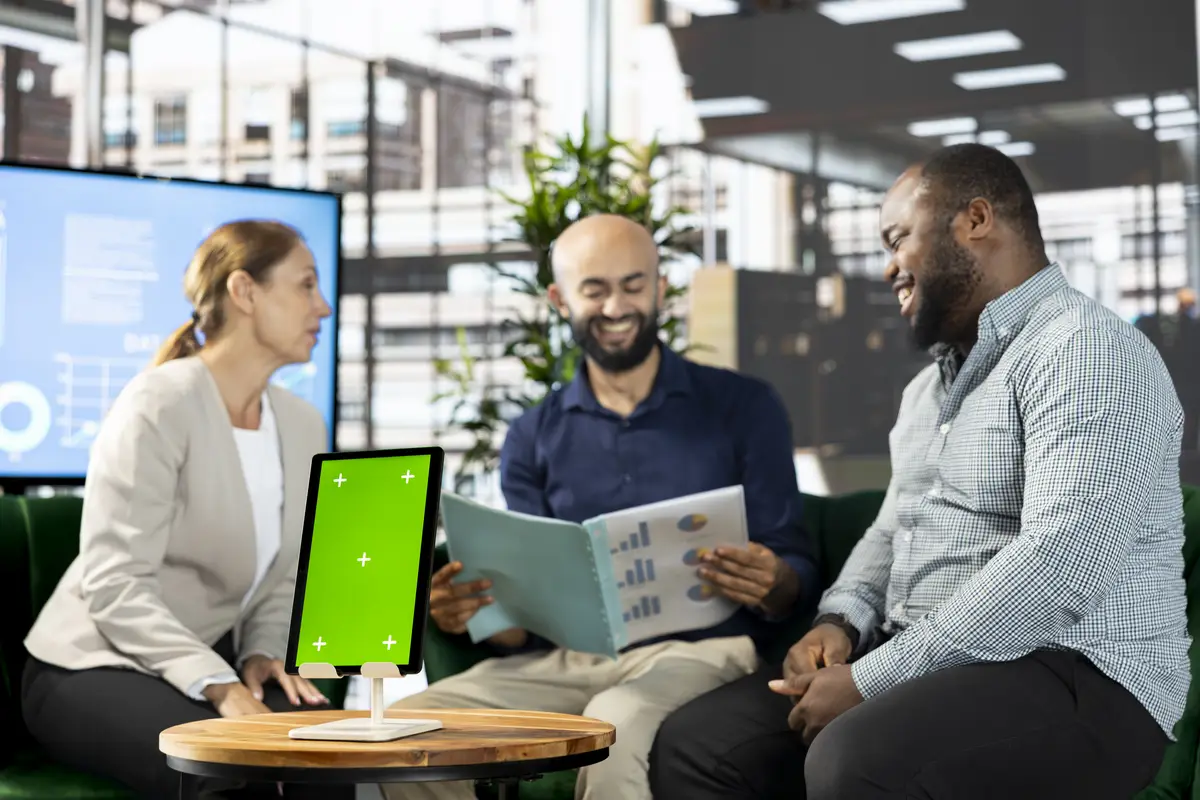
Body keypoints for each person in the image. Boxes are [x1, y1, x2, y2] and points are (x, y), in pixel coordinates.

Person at [650, 143, 1190, 800]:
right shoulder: (925, 394)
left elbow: (1058, 570)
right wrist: (838, 624)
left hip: (1084, 680)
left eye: (898, 238)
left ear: (976, 220)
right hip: (931, 667)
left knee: (855, 759)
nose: (886, 268)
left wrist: (873, 682)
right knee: (700, 746)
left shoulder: (1088, 348)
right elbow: (890, 531)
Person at [383, 214, 819, 800]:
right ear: (561, 299)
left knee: (615, 720)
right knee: (410, 732)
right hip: (566, 660)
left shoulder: (743, 406)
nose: (616, 306)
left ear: (661, 288)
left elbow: (792, 569)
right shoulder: (531, 435)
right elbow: (524, 624)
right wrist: (476, 612)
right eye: (595, 289)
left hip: (702, 650)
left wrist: (773, 578)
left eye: (634, 285)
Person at [21, 220, 349, 799]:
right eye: (305, 285)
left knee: (323, 764)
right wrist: (221, 684)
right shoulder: (159, 402)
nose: (322, 306)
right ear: (245, 292)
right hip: (93, 663)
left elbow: (284, 573)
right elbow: (114, 584)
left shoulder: (301, 423)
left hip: (203, 660)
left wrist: (260, 652)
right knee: (219, 768)